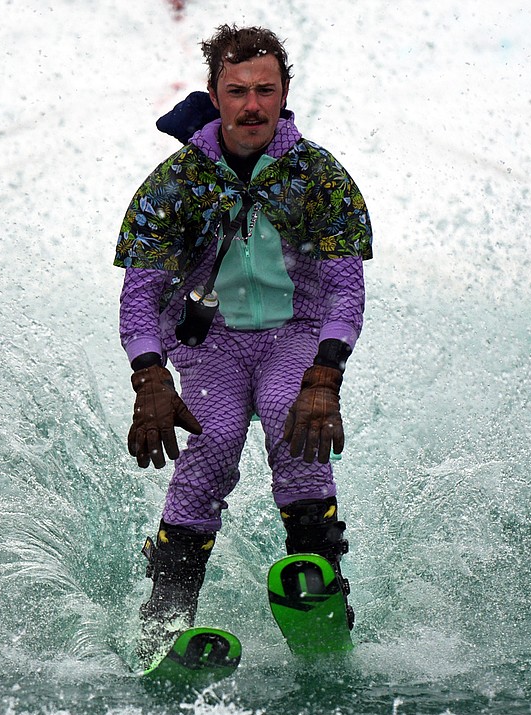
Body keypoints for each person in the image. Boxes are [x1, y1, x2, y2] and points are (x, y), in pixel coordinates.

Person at [114, 24, 373, 666]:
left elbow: (346, 292)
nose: (251, 105)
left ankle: (320, 587)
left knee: (297, 430)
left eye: (265, 90)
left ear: (285, 93)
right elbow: (138, 298)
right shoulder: (176, 183)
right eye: (237, 92)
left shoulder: (318, 178)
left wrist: (325, 377)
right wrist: (150, 378)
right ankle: (165, 617)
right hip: (211, 348)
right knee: (212, 441)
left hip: (295, 339)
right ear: (214, 94)